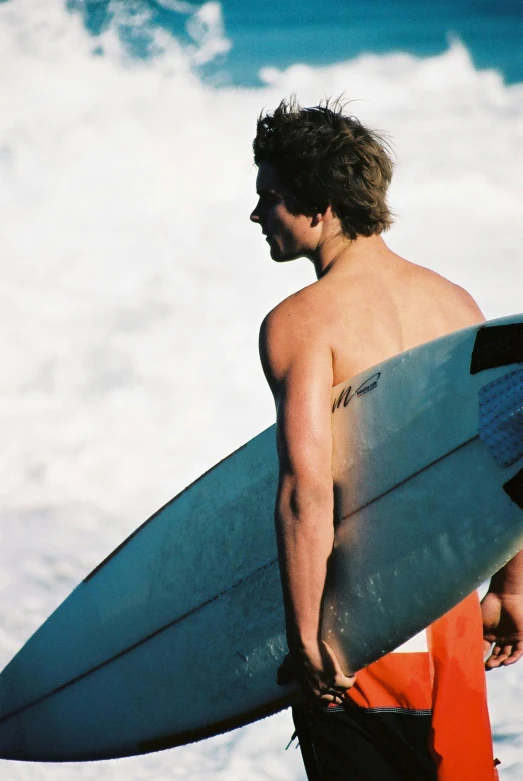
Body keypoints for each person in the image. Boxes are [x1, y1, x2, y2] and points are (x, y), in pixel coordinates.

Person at [250, 98, 523, 781]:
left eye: (271, 198)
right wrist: (513, 587)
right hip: (449, 631)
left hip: (361, 636)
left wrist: (305, 637)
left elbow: (304, 491)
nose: (257, 216)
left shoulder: (300, 323)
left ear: (318, 205)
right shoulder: (455, 304)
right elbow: (507, 456)